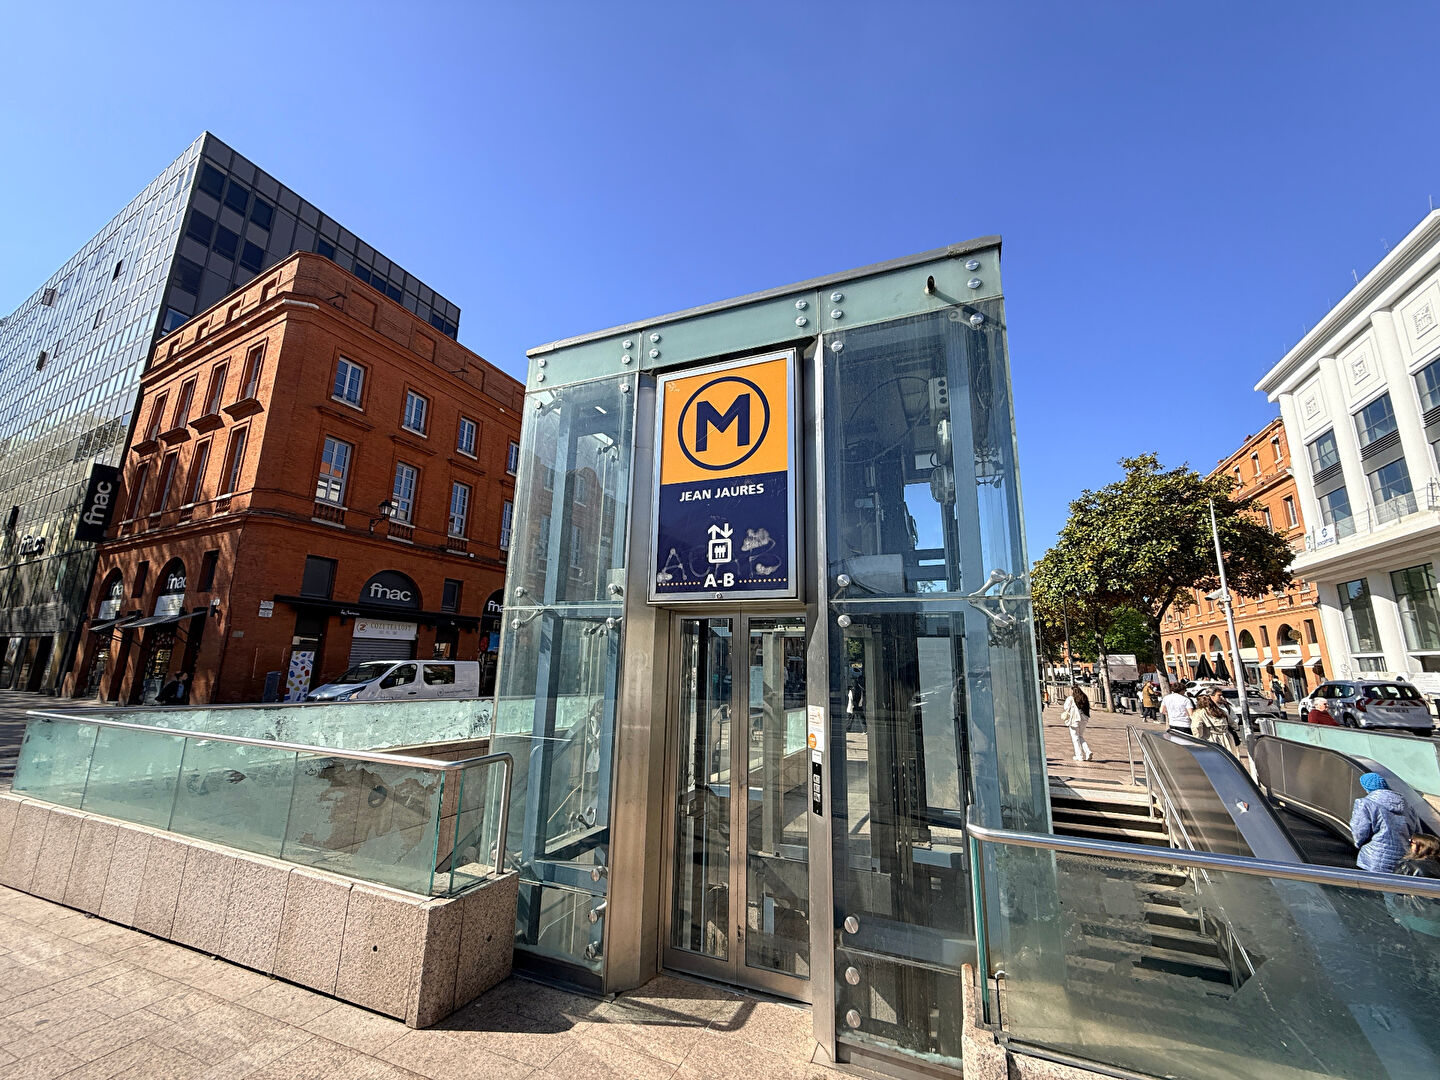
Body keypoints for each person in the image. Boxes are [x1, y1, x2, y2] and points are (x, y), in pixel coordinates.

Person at [1350, 773, 1420, 874]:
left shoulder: (1365, 803)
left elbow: (1359, 830)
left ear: (1366, 788)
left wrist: (1358, 843)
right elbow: (1417, 833)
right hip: (1403, 858)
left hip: (1374, 857)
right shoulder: (1407, 806)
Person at [1062, 686, 1093, 762]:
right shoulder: (1084, 698)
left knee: (1075, 738)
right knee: (1080, 736)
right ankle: (1087, 751)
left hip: (1074, 719)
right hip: (1084, 719)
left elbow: (1066, 707)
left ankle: (1079, 756)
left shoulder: (1071, 698)